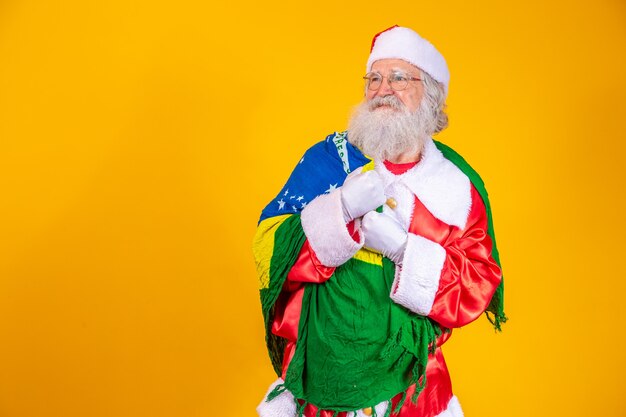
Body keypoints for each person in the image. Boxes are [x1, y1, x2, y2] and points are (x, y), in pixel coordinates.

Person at [253, 25, 506, 417]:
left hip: (414, 394)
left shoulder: (455, 185)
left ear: (432, 97)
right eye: (374, 78)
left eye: (400, 77)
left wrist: (403, 250)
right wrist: (338, 211)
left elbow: (479, 284)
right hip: (322, 388)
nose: (382, 89)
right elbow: (269, 250)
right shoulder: (328, 162)